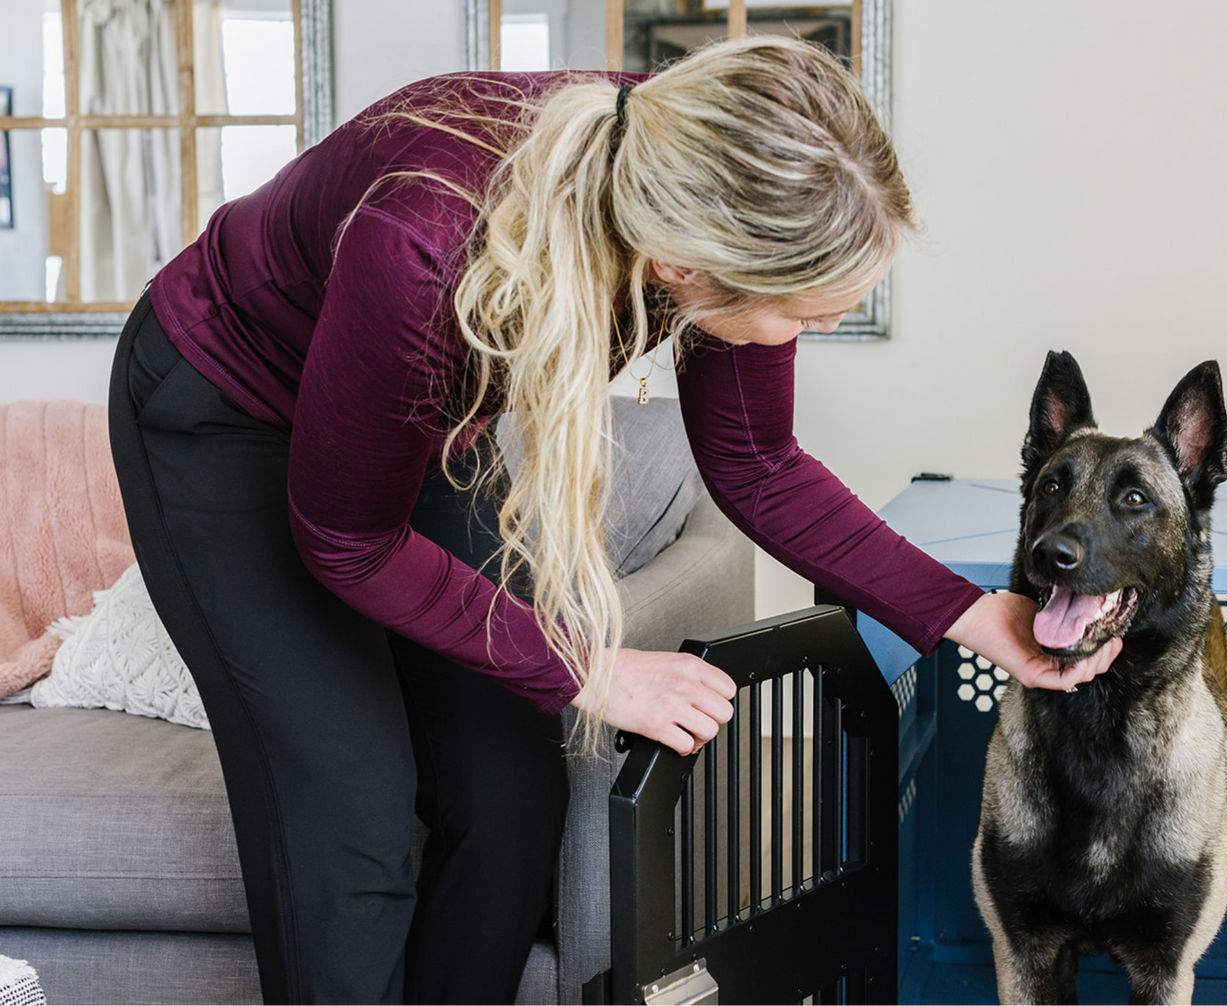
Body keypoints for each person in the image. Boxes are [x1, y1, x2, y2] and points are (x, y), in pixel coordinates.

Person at [108, 35, 1119, 1006]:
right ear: (689, 267)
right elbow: (347, 537)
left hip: (414, 418)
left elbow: (759, 465)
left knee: (508, 792)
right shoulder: (425, 244)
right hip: (226, 417)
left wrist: (972, 616)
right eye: (806, 317)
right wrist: (587, 664)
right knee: (351, 821)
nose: (816, 334)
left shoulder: (696, 172)